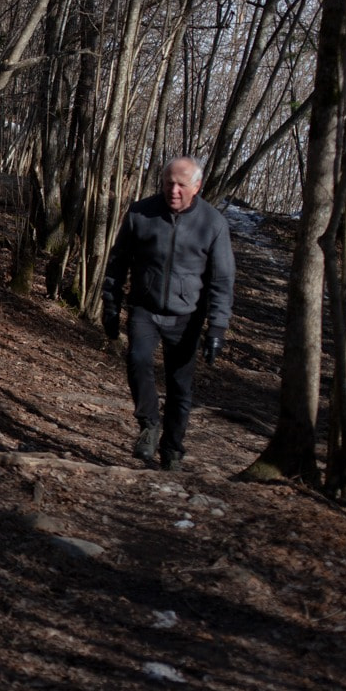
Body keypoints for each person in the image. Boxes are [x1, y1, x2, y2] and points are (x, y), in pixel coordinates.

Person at [100, 156, 235, 471]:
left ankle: (172, 452)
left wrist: (217, 329)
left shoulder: (213, 223)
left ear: (197, 187)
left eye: (180, 185)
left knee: (179, 388)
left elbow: (222, 281)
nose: (173, 190)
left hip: (187, 317)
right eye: (168, 183)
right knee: (138, 359)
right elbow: (118, 263)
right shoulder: (141, 213)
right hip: (145, 308)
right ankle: (149, 424)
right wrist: (110, 304)